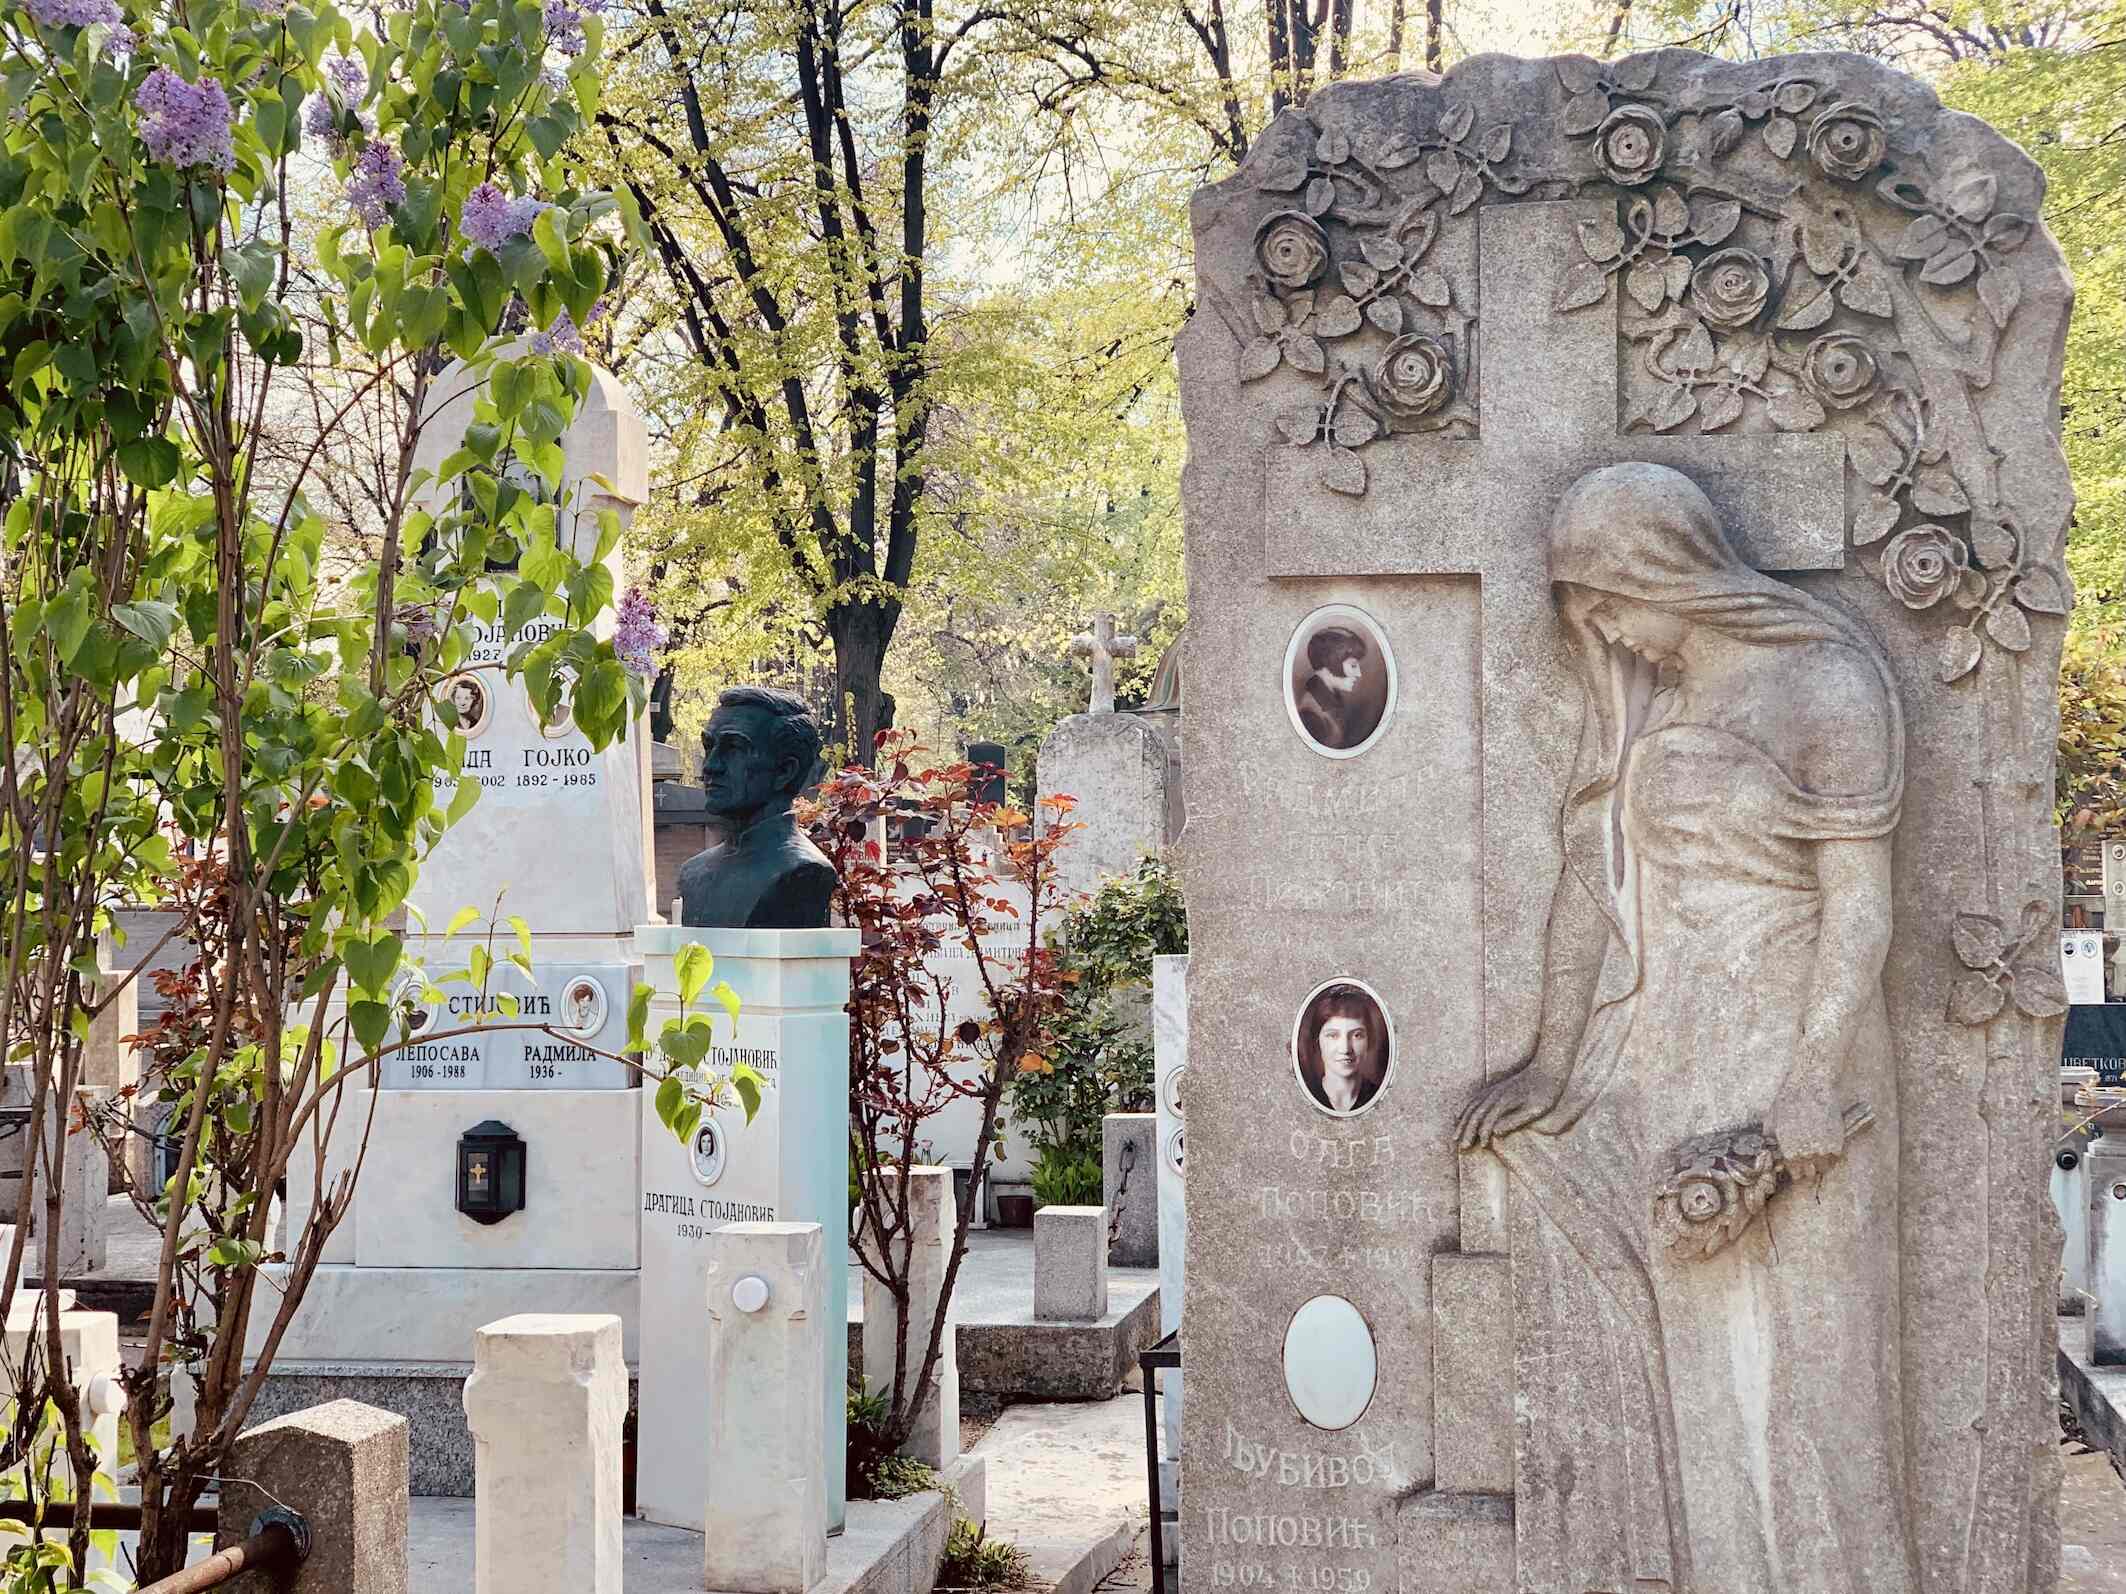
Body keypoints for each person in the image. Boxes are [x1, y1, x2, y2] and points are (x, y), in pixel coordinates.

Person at [1456, 463, 1916, 1594]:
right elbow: (1592, 883)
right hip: (1678, 1056)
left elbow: (1859, 909)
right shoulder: (1651, 706)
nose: (1601, 629)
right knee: (1705, 1381)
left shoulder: (1827, 684)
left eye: (1607, 599)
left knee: (1820, 1383)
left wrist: (1807, 1077)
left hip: (1809, 1068)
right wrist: (1554, 1062)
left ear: (1666, 567)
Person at [675, 686, 837, 929]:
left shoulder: (803, 870)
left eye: (735, 749)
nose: (711, 766)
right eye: (709, 747)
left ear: (785, 771)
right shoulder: (694, 872)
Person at [1295, 984, 1386, 1114]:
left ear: (1369, 1040)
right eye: (1333, 1035)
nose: (1345, 1049)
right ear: (1318, 1040)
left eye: (1357, 1035)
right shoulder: (1303, 1098)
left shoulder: (1381, 1096)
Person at [1294, 626, 1370, 749]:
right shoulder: (1310, 715)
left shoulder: (1333, 700)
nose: (1359, 674)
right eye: (1353, 665)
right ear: (1331, 662)